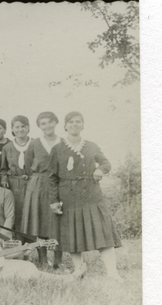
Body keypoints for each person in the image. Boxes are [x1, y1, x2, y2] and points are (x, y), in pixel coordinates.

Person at [48, 111, 123, 282]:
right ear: (65, 126)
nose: (75, 125)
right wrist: (54, 201)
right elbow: (52, 177)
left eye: (78, 122)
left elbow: (106, 163)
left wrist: (99, 169)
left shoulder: (91, 146)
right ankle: (79, 270)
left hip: (91, 194)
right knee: (73, 234)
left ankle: (112, 273)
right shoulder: (57, 149)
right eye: (71, 122)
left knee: (103, 232)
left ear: (83, 125)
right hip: (69, 196)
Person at [22, 111, 62, 268]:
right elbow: (28, 165)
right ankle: (43, 260)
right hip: (38, 185)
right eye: (43, 123)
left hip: (58, 184)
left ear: (56, 123)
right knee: (40, 223)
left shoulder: (63, 142)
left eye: (50, 122)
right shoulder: (34, 143)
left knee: (58, 223)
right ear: (39, 126)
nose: (47, 126)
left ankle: (58, 261)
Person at [0, 115, 31, 231]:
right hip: (15, 184)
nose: (20, 129)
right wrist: (4, 180)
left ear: (28, 128)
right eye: (17, 127)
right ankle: (19, 239)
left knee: (33, 210)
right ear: (12, 129)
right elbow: (3, 169)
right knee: (17, 211)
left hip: (33, 182)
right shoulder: (7, 148)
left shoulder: (36, 144)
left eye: (23, 126)